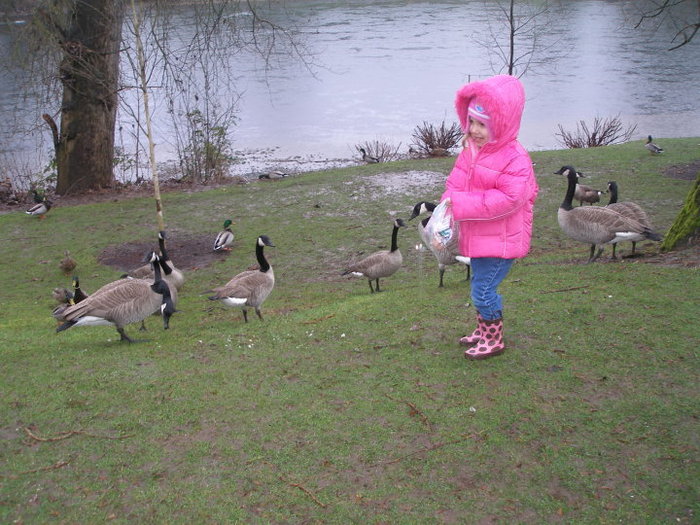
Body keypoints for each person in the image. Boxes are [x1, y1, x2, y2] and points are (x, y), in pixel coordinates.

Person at [441, 75, 538, 360]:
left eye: (482, 124)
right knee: (478, 286)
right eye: (471, 122)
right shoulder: (471, 151)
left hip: (502, 241)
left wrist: (460, 204)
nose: (474, 130)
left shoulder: (515, 158)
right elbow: (455, 185)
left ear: (502, 123)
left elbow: (508, 200)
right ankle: (484, 331)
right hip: (482, 237)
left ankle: (493, 339)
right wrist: (447, 206)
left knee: (482, 290)